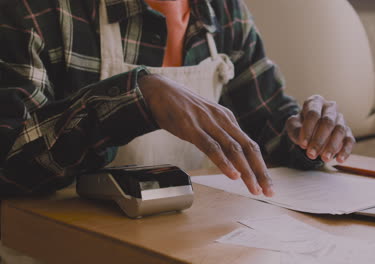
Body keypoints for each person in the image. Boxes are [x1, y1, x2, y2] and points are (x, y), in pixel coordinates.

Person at [0, 0, 354, 199]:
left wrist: (306, 136)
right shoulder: (33, 11)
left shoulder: (225, 11)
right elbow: (10, 168)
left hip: (188, 242)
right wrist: (135, 99)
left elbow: (266, 123)